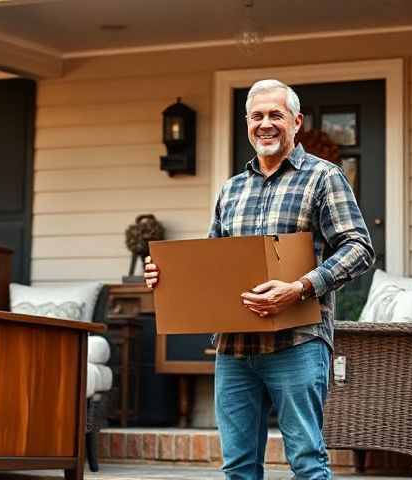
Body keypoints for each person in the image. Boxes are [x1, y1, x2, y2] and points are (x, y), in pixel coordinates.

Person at [144, 79, 374, 480]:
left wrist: (300, 287)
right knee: (238, 467)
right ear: (247, 123)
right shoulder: (231, 190)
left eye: (275, 115)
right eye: (257, 116)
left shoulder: (324, 177)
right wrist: (166, 277)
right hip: (235, 349)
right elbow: (212, 263)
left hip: (297, 343)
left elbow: (359, 248)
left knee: (306, 461)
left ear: (296, 121)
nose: (265, 124)